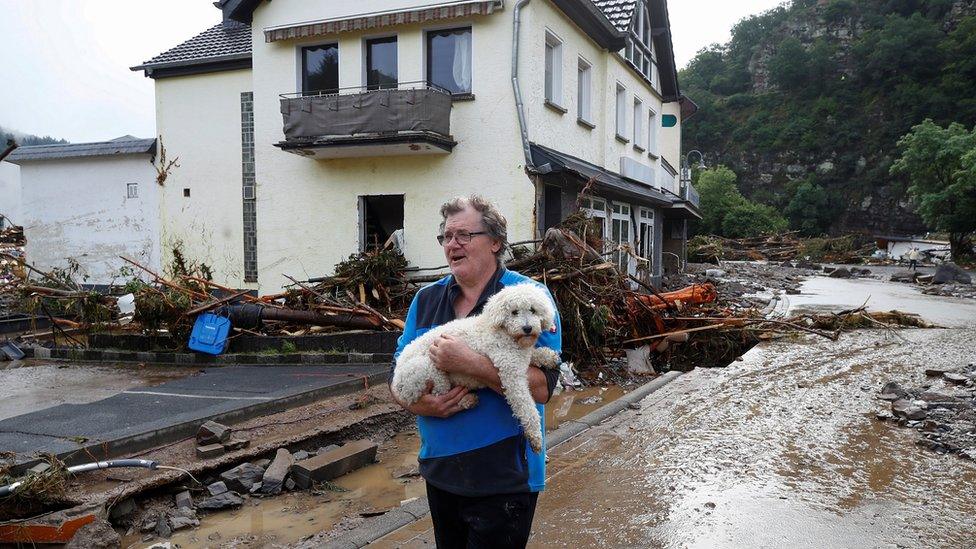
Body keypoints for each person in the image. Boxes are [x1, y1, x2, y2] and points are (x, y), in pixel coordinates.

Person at [390, 195, 562, 548]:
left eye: (464, 235)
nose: (453, 244)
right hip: (441, 471)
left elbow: (543, 388)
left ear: (495, 242)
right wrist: (418, 405)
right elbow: (395, 375)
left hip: (504, 477)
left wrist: (470, 365)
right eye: (446, 236)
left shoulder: (527, 299)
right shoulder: (425, 301)